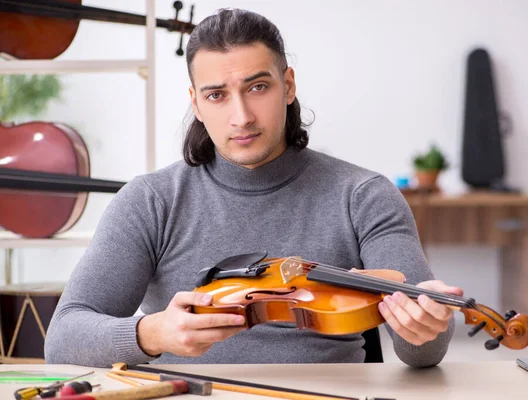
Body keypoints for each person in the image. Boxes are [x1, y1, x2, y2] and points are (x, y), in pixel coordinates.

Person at [44, 8, 463, 368]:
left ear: (289, 86)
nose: (241, 116)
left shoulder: (364, 195)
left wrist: (424, 324)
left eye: (257, 87)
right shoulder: (150, 200)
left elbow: (422, 354)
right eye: (217, 95)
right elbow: (62, 339)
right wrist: (153, 333)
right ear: (196, 103)